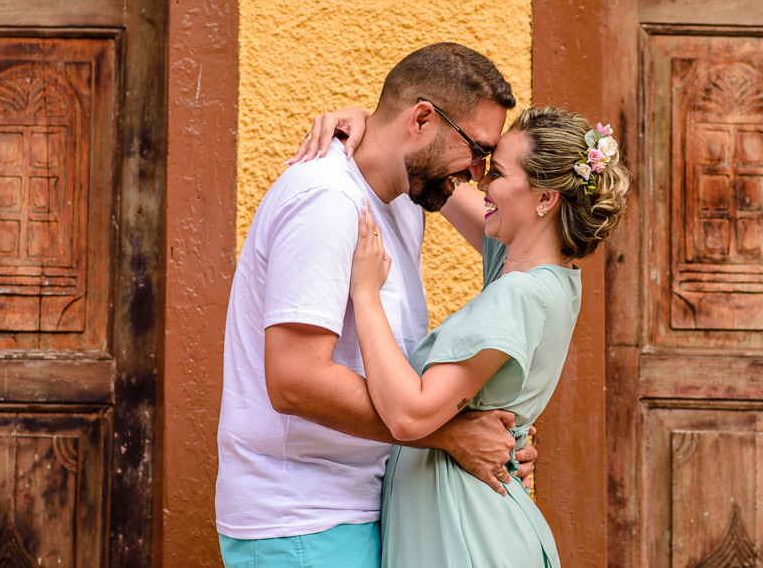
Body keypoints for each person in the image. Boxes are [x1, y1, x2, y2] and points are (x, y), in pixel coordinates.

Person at [215, 43, 541, 568]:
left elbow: (521, 236)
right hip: (302, 522)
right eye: (477, 150)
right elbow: (295, 378)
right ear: (421, 119)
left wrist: (499, 437)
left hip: (355, 509)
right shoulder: (327, 201)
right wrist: (452, 436)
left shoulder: (402, 200)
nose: (479, 173)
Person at [313, 105, 630, 567]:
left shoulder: (517, 293)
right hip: (472, 515)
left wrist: (365, 294)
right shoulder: (551, 276)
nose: (479, 181)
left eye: (496, 172)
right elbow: (436, 185)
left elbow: (408, 415)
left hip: (462, 529)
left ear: (545, 198)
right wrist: (368, 122)